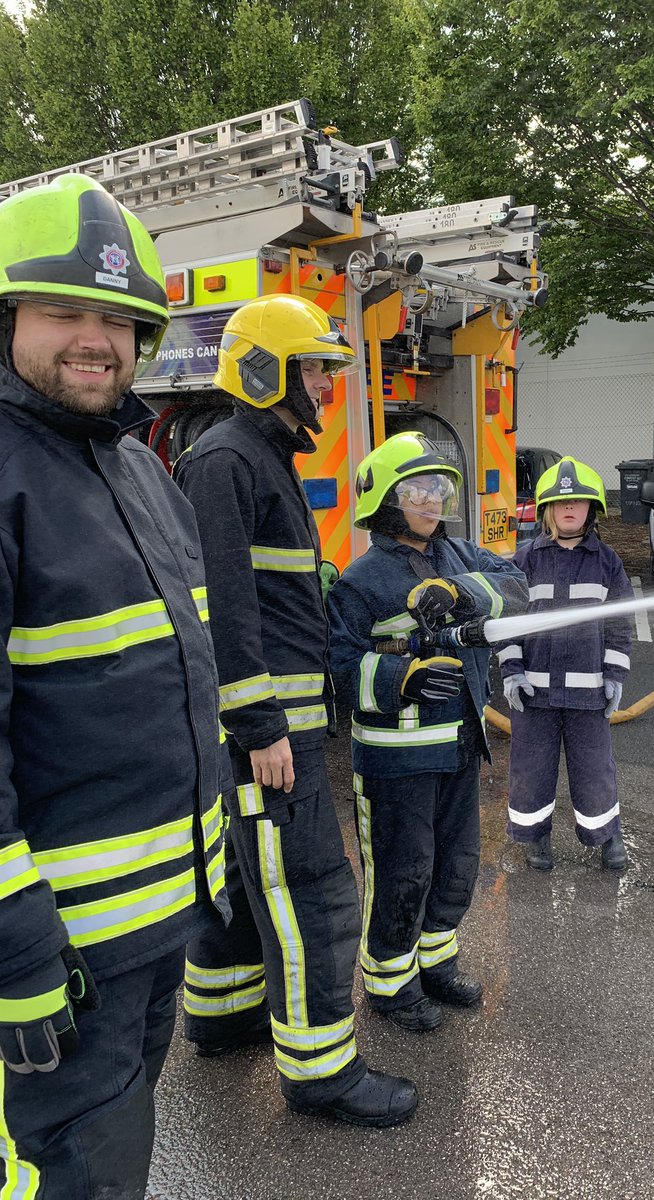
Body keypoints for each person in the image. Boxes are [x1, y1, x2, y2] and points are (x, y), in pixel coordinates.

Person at [0, 174, 229, 1199]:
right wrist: (15, 952)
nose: (97, 340)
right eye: (64, 311)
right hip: (56, 952)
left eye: (120, 318)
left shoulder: (140, 471)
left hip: (153, 927)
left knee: (116, 1162)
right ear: (8, 317)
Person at [175, 294, 417, 1128]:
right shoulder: (227, 461)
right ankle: (322, 1074)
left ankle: (223, 1015)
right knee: (310, 890)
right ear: (265, 370)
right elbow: (221, 608)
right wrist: (261, 727)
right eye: (312, 367)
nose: (324, 383)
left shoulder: (256, 456)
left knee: (248, 880)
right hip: (269, 732)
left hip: (276, 725)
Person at [328, 432, 528, 1033]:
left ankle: (436, 963)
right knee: (402, 872)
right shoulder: (361, 582)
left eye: (439, 488)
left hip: (459, 749)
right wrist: (401, 678)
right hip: (396, 764)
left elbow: (516, 588)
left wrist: (461, 592)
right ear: (385, 500)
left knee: (454, 866)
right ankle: (391, 982)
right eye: (418, 489)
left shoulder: (460, 556)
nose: (433, 500)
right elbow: (338, 669)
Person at [499, 457, 632, 872]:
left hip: (588, 695)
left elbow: (620, 624)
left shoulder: (607, 562)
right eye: (560, 502)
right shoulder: (524, 561)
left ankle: (605, 834)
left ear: (592, 509)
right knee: (531, 770)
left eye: (577, 501)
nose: (569, 507)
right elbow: (506, 623)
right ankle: (534, 836)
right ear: (546, 510)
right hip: (533, 694)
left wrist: (614, 675)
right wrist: (511, 671)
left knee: (594, 770)